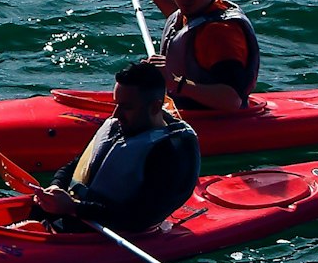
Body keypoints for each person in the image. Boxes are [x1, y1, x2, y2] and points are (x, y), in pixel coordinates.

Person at [32, 59, 200, 234]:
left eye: (127, 107)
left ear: (155, 107)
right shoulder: (119, 126)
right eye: (116, 104)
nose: (116, 114)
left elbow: (140, 217)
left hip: (112, 232)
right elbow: (75, 166)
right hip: (75, 218)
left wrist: (74, 208)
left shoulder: (171, 153)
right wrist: (57, 186)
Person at [112, 0, 260, 114]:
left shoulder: (220, 34)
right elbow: (182, 21)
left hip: (215, 121)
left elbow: (233, 100)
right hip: (184, 110)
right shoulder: (196, 10)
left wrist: (174, 82)